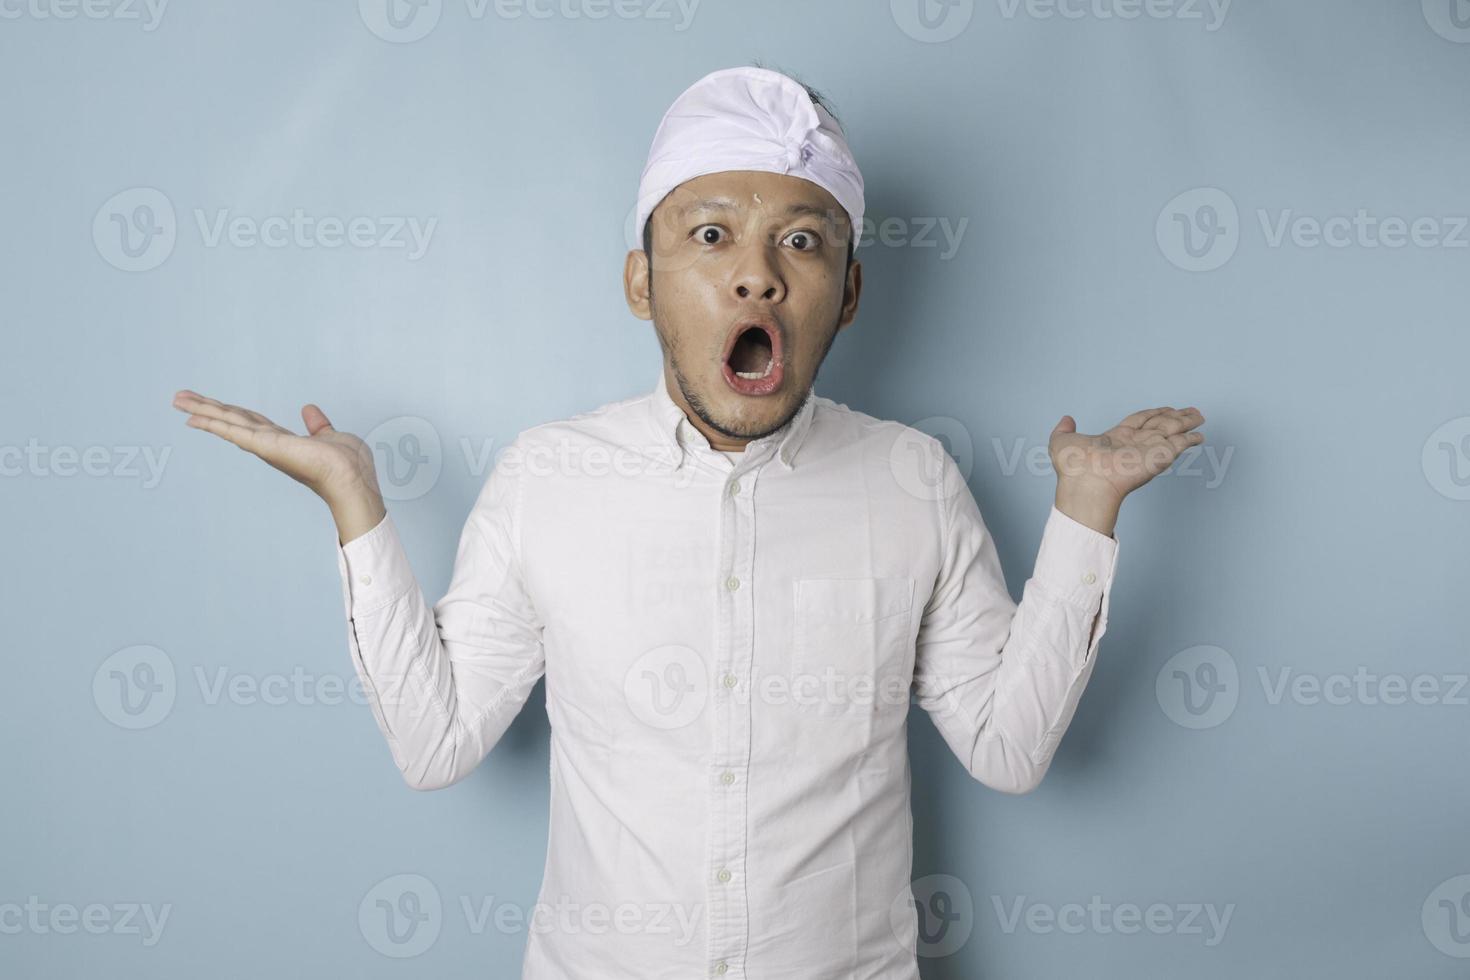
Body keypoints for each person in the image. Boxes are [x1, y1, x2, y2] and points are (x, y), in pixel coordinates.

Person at [171, 64, 1204, 980]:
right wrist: (355, 502)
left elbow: (1008, 746)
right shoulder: (546, 478)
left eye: (802, 242)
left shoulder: (913, 479)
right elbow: (435, 740)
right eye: (711, 235)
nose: (758, 272)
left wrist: (1086, 508)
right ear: (642, 281)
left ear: (847, 295)